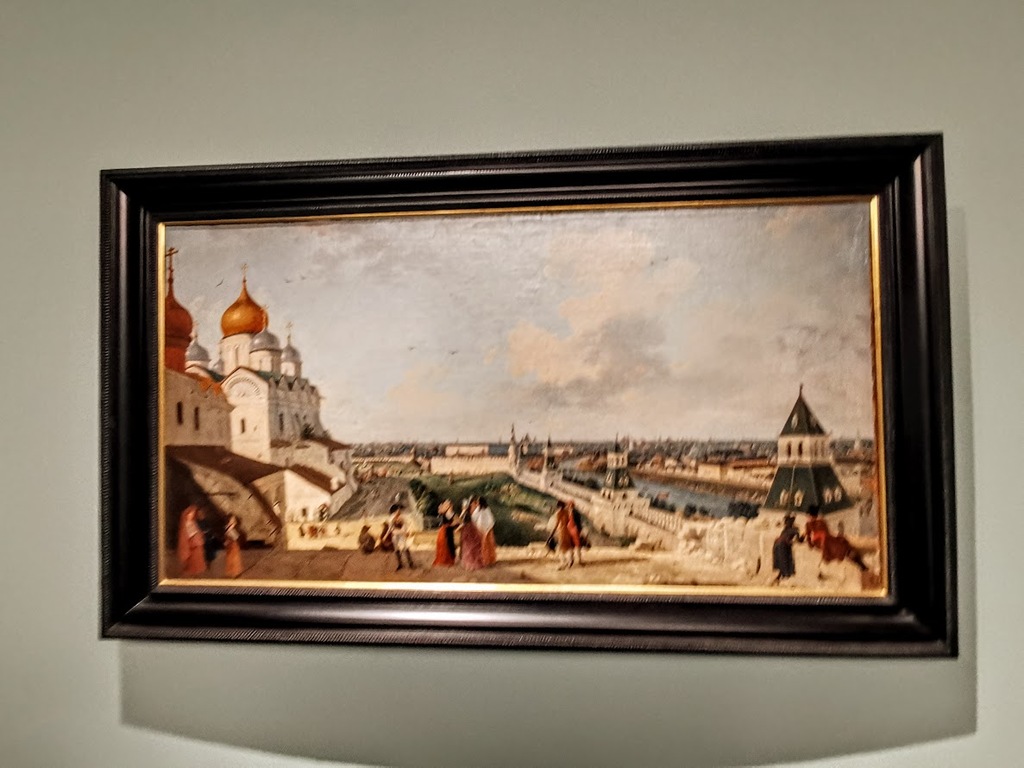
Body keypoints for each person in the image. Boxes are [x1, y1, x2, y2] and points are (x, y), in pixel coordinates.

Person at [176, 505, 207, 576]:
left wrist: (199, 535)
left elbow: (197, 531)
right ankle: (191, 571)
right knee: (192, 560)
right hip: (192, 544)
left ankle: (197, 571)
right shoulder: (185, 524)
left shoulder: (193, 523)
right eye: (190, 514)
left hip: (198, 543)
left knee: (198, 558)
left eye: (192, 514)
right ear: (186, 515)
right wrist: (193, 538)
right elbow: (185, 535)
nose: (191, 515)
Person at [771, 514, 802, 583]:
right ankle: (781, 577)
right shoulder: (794, 529)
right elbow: (799, 540)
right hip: (783, 545)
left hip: (778, 544)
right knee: (785, 561)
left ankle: (779, 577)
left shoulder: (786, 529)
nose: (786, 523)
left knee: (782, 561)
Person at [459, 497, 485, 571]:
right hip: (468, 530)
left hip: (468, 530)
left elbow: (463, 523)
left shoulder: (466, 514)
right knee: (469, 547)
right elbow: (461, 520)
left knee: (470, 547)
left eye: (464, 506)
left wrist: (457, 529)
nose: (463, 507)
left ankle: (471, 563)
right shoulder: (466, 513)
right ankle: (470, 563)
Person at [389, 502, 415, 570]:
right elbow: (391, 528)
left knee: (405, 547)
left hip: (401, 535)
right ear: (395, 511)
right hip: (395, 535)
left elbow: (405, 525)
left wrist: (406, 531)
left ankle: (410, 563)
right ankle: (400, 564)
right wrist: (397, 531)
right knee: (396, 549)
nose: (399, 511)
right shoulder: (391, 518)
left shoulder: (402, 518)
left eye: (400, 510)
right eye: (398, 510)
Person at [433, 499, 457, 567]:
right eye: (446, 503)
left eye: (448, 503)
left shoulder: (452, 513)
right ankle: (447, 559)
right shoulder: (444, 511)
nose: (447, 504)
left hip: (448, 529)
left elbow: (456, 521)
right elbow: (440, 509)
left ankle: (451, 558)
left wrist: (452, 524)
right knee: (444, 544)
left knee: (450, 543)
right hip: (444, 530)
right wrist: (444, 505)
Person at [474, 497, 497, 567]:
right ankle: (482, 560)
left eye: (478, 502)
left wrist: (487, 529)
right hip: (480, 530)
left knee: (487, 545)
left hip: (488, 530)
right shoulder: (477, 510)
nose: (477, 503)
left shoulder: (487, 510)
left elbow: (491, 520)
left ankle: (489, 560)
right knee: (481, 545)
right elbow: (474, 518)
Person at [223, 514, 244, 578]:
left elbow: (237, 536)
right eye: (231, 519)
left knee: (235, 558)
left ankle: (236, 572)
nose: (232, 521)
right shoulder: (227, 527)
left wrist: (232, 534)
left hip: (234, 544)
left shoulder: (235, 527)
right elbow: (225, 535)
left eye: (233, 520)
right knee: (229, 558)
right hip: (229, 544)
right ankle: (230, 572)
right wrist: (226, 540)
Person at [567, 501, 586, 566]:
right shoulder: (575, 513)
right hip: (573, 530)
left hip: (572, 529)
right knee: (575, 545)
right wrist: (580, 530)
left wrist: (580, 530)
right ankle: (576, 560)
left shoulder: (568, 513)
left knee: (574, 545)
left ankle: (573, 560)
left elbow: (578, 523)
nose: (569, 506)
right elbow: (579, 523)